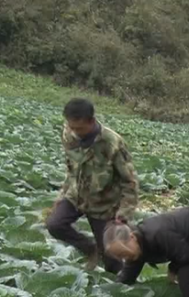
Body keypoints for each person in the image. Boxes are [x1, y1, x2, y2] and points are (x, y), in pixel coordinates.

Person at [46, 98, 139, 273]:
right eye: (71, 127)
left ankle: (120, 284)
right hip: (77, 194)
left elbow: (130, 181)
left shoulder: (112, 143)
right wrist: (62, 195)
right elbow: (71, 167)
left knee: (113, 263)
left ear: (92, 121)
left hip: (104, 203)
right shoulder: (69, 134)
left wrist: (123, 214)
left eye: (79, 128)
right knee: (55, 224)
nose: (75, 132)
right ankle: (90, 249)